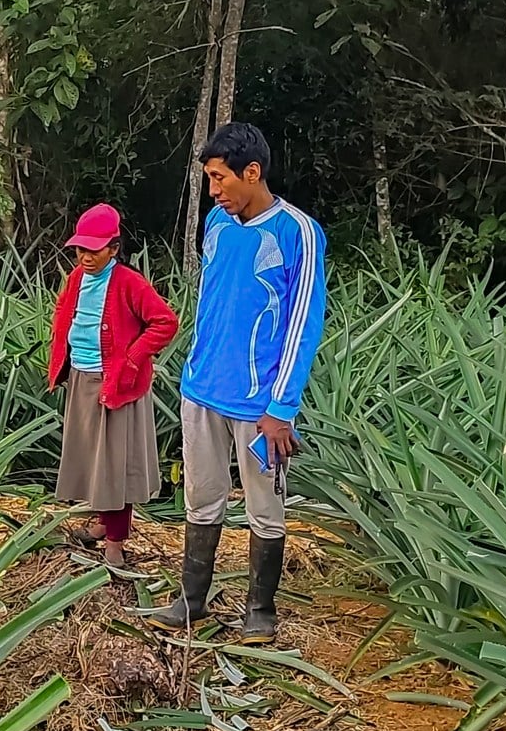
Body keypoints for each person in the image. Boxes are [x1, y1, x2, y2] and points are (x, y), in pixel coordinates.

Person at [146, 122, 327, 642]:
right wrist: (192, 370)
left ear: (253, 172)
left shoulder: (299, 233)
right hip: (202, 389)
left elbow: (302, 324)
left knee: (264, 505)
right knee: (201, 496)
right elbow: (209, 304)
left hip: (259, 406)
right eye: (209, 178)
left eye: (220, 178)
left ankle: (259, 609)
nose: (214, 190)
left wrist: (282, 407)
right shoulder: (218, 226)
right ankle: (191, 599)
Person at [46, 204, 179, 567]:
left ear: (113, 249)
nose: (85, 256)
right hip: (83, 377)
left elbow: (165, 322)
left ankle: (117, 539)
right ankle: (105, 524)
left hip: (116, 384)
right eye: (79, 249)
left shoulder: (129, 282)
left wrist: (134, 358)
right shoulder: (77, 278)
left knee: (116, 464)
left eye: (94, 249)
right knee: (95, 459)